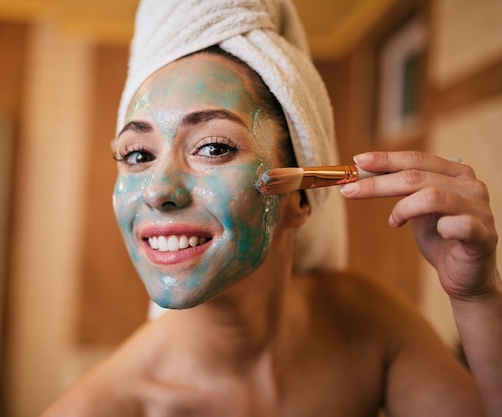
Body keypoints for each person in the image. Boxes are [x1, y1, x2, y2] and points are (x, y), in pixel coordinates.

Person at [42, 1, 501, 416]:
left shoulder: (367, 326)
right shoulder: (103, 408)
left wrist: (476, 298)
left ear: (299, 198)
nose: (158, 190)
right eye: (137, 155)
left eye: (213, 147)